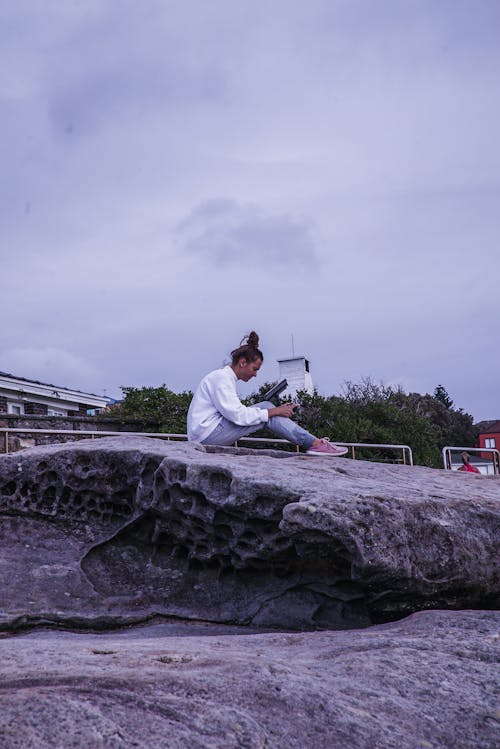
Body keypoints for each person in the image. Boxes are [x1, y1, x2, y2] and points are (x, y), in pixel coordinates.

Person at [187, 331, 348, 456]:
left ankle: (314, 443)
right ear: (243, 363)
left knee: (266, 409)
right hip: (206, 437)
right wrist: (275, 411)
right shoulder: (222, 379)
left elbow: (236, 413)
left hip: (206, 433)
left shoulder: (222, 377)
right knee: (267, 410)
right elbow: (238, 416)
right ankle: (315, 444)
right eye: (254, 369)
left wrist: (273, 411)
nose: (255, 374)